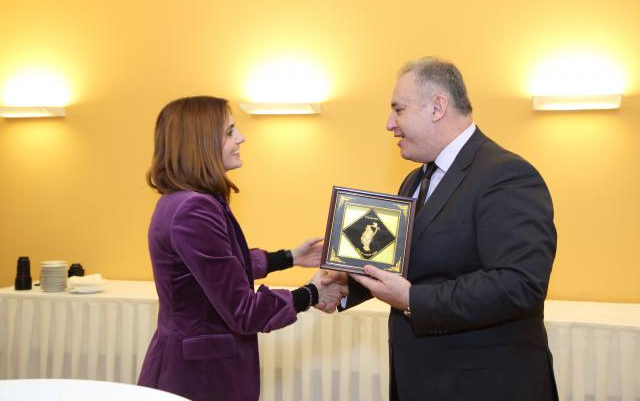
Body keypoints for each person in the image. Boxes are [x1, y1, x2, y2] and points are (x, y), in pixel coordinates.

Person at [322, 57, 558, 400]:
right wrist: (347, 287)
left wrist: (411, 299)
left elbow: (519, 283)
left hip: (484, 387)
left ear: (437, 107)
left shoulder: (506, 175)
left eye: (398, 110)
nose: (390, 124)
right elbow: (411, 264)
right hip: (420, 380)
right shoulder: (414, 180)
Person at [137, 96, 341, 401]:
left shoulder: (180, 201)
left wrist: (289, 258)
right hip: (200, 377)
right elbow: (243, 311)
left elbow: (222, 266)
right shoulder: (194, 208)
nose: (241, 138)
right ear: (202, 143)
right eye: (230, 132)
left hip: (191, 366)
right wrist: (309, 294)